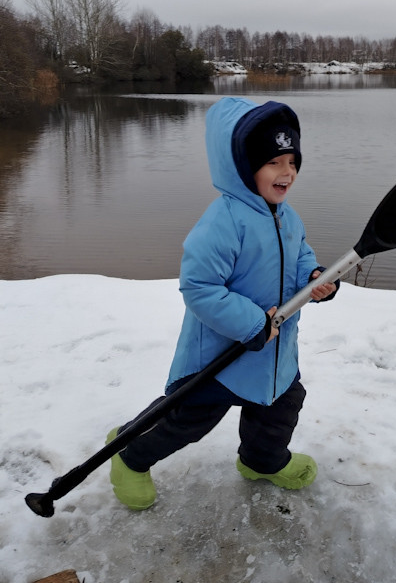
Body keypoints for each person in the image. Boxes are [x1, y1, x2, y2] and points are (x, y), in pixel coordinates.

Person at [107, 97, 338, 510]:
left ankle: (261, 461)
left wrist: (314, 278)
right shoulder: (222, 221)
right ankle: (129, 453)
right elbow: (199, 287)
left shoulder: (287, 215)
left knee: (280, 407)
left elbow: (300, 253)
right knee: (188, 420)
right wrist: (252, 323)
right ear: (242, 167)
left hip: (274, 351)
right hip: (223, 352)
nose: (287, 172)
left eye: (292, 161)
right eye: (274, 162)